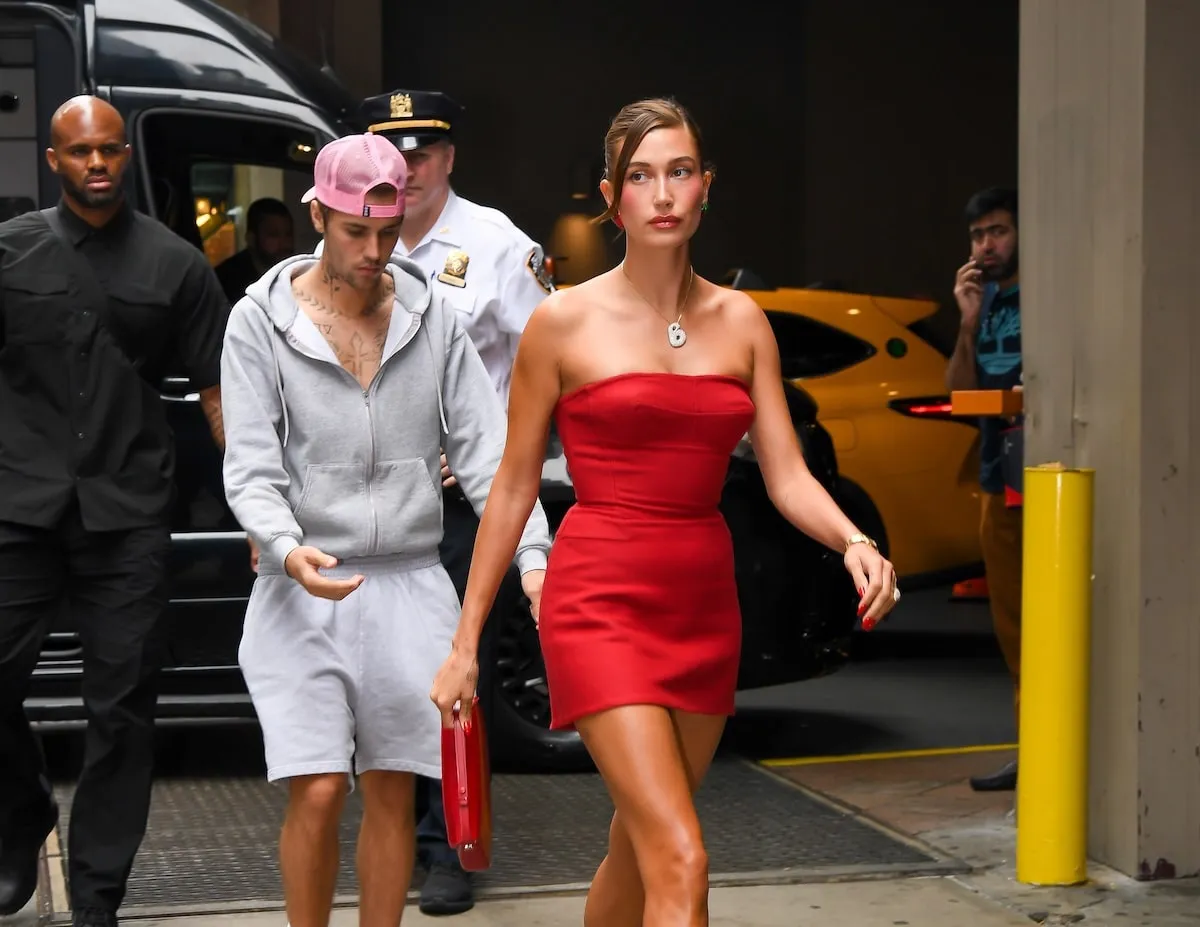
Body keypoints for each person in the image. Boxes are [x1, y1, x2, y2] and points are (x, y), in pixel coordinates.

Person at [430, 97, 899, 927]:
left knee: (640, 846)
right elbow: (509, 486)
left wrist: (855, 539)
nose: (662, 193)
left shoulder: (742, 322)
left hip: (703, 605)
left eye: (679, 172)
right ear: (612, 198)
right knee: (683, 855)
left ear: (705, 186)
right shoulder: (562, 322)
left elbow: (786, 475)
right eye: (641, 177)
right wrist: (466, 641)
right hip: (598, 600)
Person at [219, 133, 551, 927]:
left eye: (387, 230)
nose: (374, 251)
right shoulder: (258, 321)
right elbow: (252, 466)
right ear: (319, 214)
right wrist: (287, 544)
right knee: (321, 783)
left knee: (395, 788)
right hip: (300, 584)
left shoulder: (432, 317)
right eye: (353, 231)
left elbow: (491, 457)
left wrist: (535, 558)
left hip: (410, 581)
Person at [0, 96, 228, 927]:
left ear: (125, 157)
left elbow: (216, 392)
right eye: (78, 153)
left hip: (127, 513)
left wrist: (263, 506)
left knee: (122, 708)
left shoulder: (177, 266)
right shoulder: (11, 251)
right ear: (53, 163)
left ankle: (97, 895)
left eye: (108, 150)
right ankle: (23, 813)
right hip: (19, 505)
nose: (96, 164)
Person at [329, 87, 554, 915]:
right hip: (368, 504)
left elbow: (549, 366)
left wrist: (493, 446)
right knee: (378, 679)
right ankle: (399, 833)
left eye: (425, 151)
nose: (410, 166)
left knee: (454, 677)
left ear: (450, 157)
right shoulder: (353, 248)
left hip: (466, 507)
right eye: (395, 151)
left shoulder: (496, 246)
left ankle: (451, 845)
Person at [945, 186, 1023, 793]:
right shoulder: (987, 300)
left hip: (1042, 480)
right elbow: (959, 393)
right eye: (977, 236)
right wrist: (968, 323)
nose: (986, 246)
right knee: (1011, 626)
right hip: (998, 479)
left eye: (997, 232)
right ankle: (1031, 745)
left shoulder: (1040, 293)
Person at [213, 197, 295, 304]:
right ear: (251, 238)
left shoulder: (296, 274)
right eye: (273, 235)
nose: (284, 243)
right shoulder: (226, 281)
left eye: (288, 234)